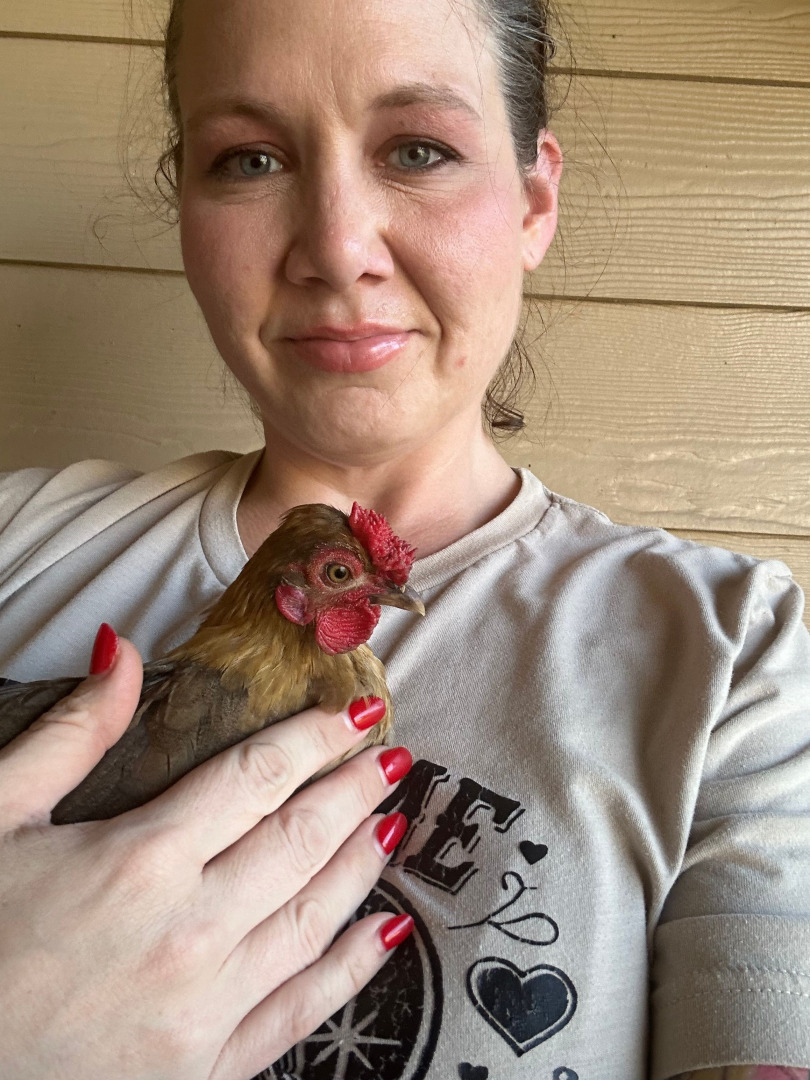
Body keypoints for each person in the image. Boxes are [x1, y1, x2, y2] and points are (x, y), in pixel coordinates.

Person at [0, 0, 808, 1077]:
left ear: (533, 200)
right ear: (185, 205)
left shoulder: (730, 651)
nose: (338, 251)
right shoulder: (16, 540)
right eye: (250, 159)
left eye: (418, 149)